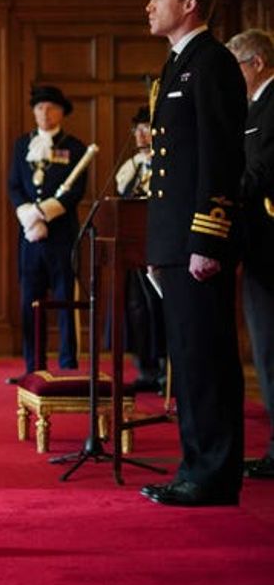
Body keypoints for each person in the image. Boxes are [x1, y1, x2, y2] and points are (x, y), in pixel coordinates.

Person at [138, 0, 247, 507]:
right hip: (175, 243)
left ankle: (213, 473)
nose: (149, 5)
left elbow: (221, 158)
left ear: (189, 5)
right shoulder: (178, 65)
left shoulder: (212, 63)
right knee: (188, 356)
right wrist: (163, 249)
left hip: (197, 242)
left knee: (207, 360)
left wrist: (208, 238)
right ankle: (195, 465)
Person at [6, 85, 88, 380]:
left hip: (61, 237)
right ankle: (33, 367)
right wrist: (27, 215)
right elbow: (14, 185)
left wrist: (43, 214)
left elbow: (75, 191)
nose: (45, 113)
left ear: (61, 112)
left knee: (66, 299)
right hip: (29, 238)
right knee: (31, 301)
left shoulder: (75, 147)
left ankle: (68, 366)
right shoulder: (21, 145)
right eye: (39, 108)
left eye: (51, 107)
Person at [226, 29, 274, 479]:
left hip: (269, 243)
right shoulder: (256, 106)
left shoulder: (271, 104)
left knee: (270, 346)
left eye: (234, 66)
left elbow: (259, 173)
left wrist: (213, 191)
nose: (229, 76)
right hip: (259, 240)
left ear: (256, 62)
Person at [114, 106, 167, 392]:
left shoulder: (165, 162)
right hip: (132, 250)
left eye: (145, 127)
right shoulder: (131, 167)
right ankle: (144, 367)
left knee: (159, 308)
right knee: (137, 309)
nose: (140, 133)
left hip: (160, 248)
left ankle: (164, 369)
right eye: (136, 128)